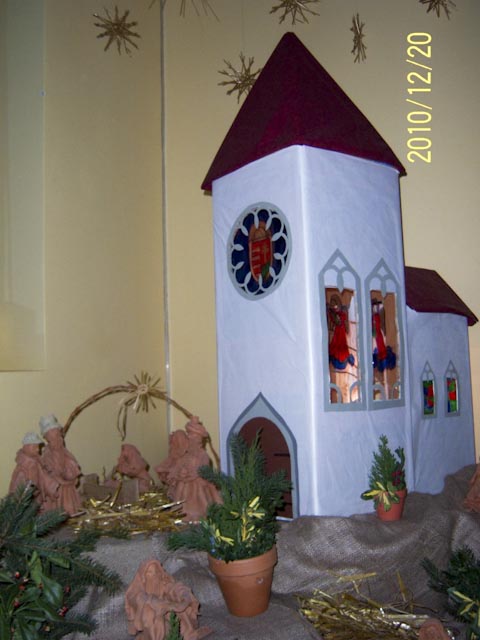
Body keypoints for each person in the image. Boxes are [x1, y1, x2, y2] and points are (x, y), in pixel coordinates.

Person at [125, 559, 210, 640]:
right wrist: (164, 605)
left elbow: (173, 588)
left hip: (166, 613)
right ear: (143, 576)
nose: (154, 576)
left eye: (156, 572)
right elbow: (141, 599)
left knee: (179, 614)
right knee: (150, 613)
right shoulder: (136, 591)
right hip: (152, 619)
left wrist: (184, 595)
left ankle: (186, 634)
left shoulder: (162, 583)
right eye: (150, 573)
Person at [168, 417, 221, 522]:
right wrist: (182, 472)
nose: (189, 437)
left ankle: (199, 512)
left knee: (197, 491)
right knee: (181, 487)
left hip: (198, 481)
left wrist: (192, 474)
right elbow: (181, 465)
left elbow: (204, 469)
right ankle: (179, 511)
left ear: (198, 438)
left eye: (192, 435)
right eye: (188, 434)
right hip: (186, 480)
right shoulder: (186, 454)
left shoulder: (203, 454)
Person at [40, 414, 83, 516]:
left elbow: (71, 463)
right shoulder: (47, 455)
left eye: (58, 435)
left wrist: (72, 475)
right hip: (58, 490)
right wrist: (61, 481)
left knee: (71, 508)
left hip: (68, 488)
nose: (58, 439)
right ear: (47, 438)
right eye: (53, 436)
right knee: (60, 509)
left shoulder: (63, 451)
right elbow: (49, 473)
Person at [9, 432, 59, 510]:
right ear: (27, 447)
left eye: (38, 447)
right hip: (26, 501)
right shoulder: (23, 468)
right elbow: (17, 489)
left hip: (38, 497)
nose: (38, 450)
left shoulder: (36, 462)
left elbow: (43, 477)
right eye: (35, 447)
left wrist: (52, 487)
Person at [155, 430, 189, 494]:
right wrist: (163, 470)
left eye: (176, 441)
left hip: (183, 484)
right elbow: (167, 465)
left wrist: (166, 470)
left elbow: (178, 470)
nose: (173, 445)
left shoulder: (186, 457)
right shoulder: (173, 455)